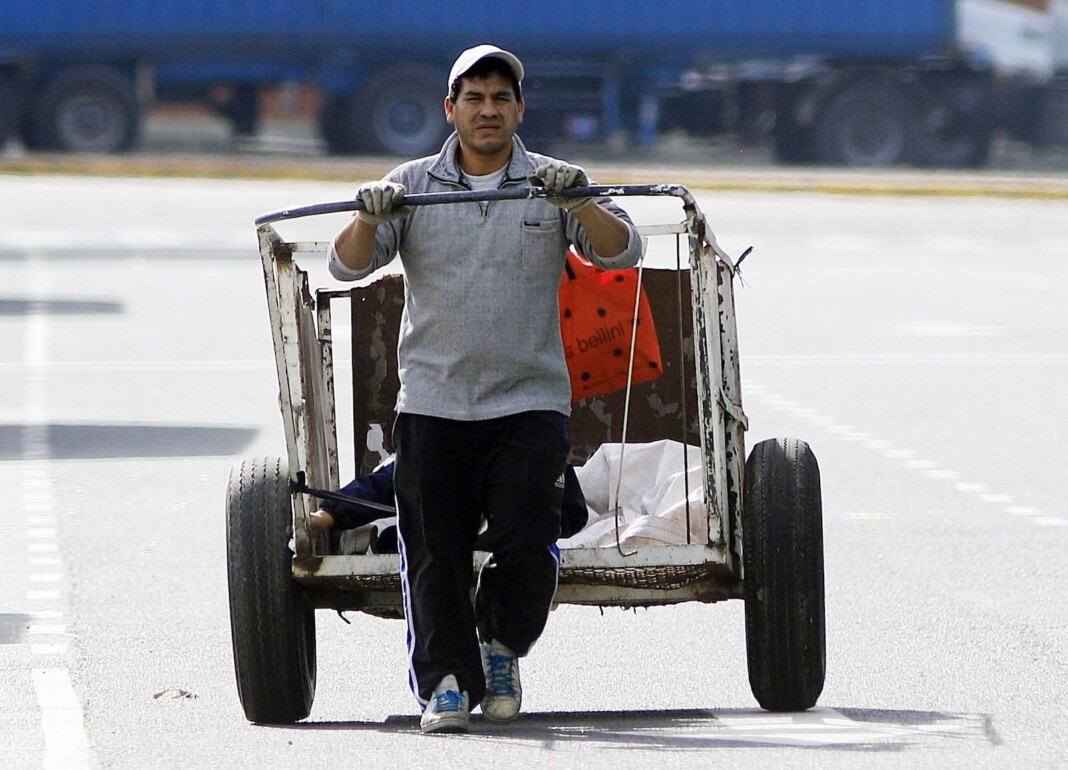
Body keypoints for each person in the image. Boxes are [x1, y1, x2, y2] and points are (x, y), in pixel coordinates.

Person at [328, 43, 641, 734]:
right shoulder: (410, 182)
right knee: (432, 551)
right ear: (451, 109)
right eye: (474, 98)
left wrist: (581, 205)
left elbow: (622, 250)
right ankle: (443, 682)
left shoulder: (553, 180)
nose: (489, 110)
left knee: (530, 533)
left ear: (520, 109)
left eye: (501, 98)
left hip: (529, 401)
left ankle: (501, 645)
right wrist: (369, 218)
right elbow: (346, 266)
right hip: (435, 403)